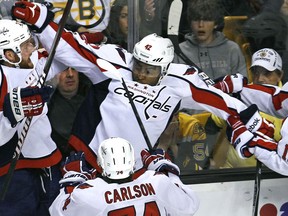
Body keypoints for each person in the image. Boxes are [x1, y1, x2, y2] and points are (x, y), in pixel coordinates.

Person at [11, 1, 274, 173]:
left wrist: (249, 123)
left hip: (139, 167)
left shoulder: (179, 81)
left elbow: (217, 99)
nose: (140, 72)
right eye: (138, 65)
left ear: (164, 69)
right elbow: (74, 49)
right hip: (90, 160)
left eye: (149, 70)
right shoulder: (116, 63)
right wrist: (44, 23)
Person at [0, 19, 67, 215]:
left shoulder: (36, 61)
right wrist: (12, 116)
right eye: (25, 45)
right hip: (10, 171)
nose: (32, 47)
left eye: (31, 41)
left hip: (46, 162)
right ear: (9, 54)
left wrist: (44, 21)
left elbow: (64, 53)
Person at [49, 137, 199, 215]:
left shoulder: (90, 194)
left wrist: (73, 179)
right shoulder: (157, 182)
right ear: (133, 162)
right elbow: (190, 204)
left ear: (100, 164)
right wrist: (165, 168)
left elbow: (57, 211)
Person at [213, 49, 288, 175]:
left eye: (267, 73)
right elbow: (213, 128)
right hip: (231, 174)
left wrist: (254, 141)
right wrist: (237, 92)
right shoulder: (277, 98)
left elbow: (284, 163)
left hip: (271, 176)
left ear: (280, 75)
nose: (260, 78)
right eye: (256, 72)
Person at [173, 0, 247, 80]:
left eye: (206, 20)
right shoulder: (180, 51)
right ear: (190, 23)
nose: (201, 25)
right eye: (196, 20)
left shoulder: (232, 49)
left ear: (215, 24)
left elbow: (243, 82)